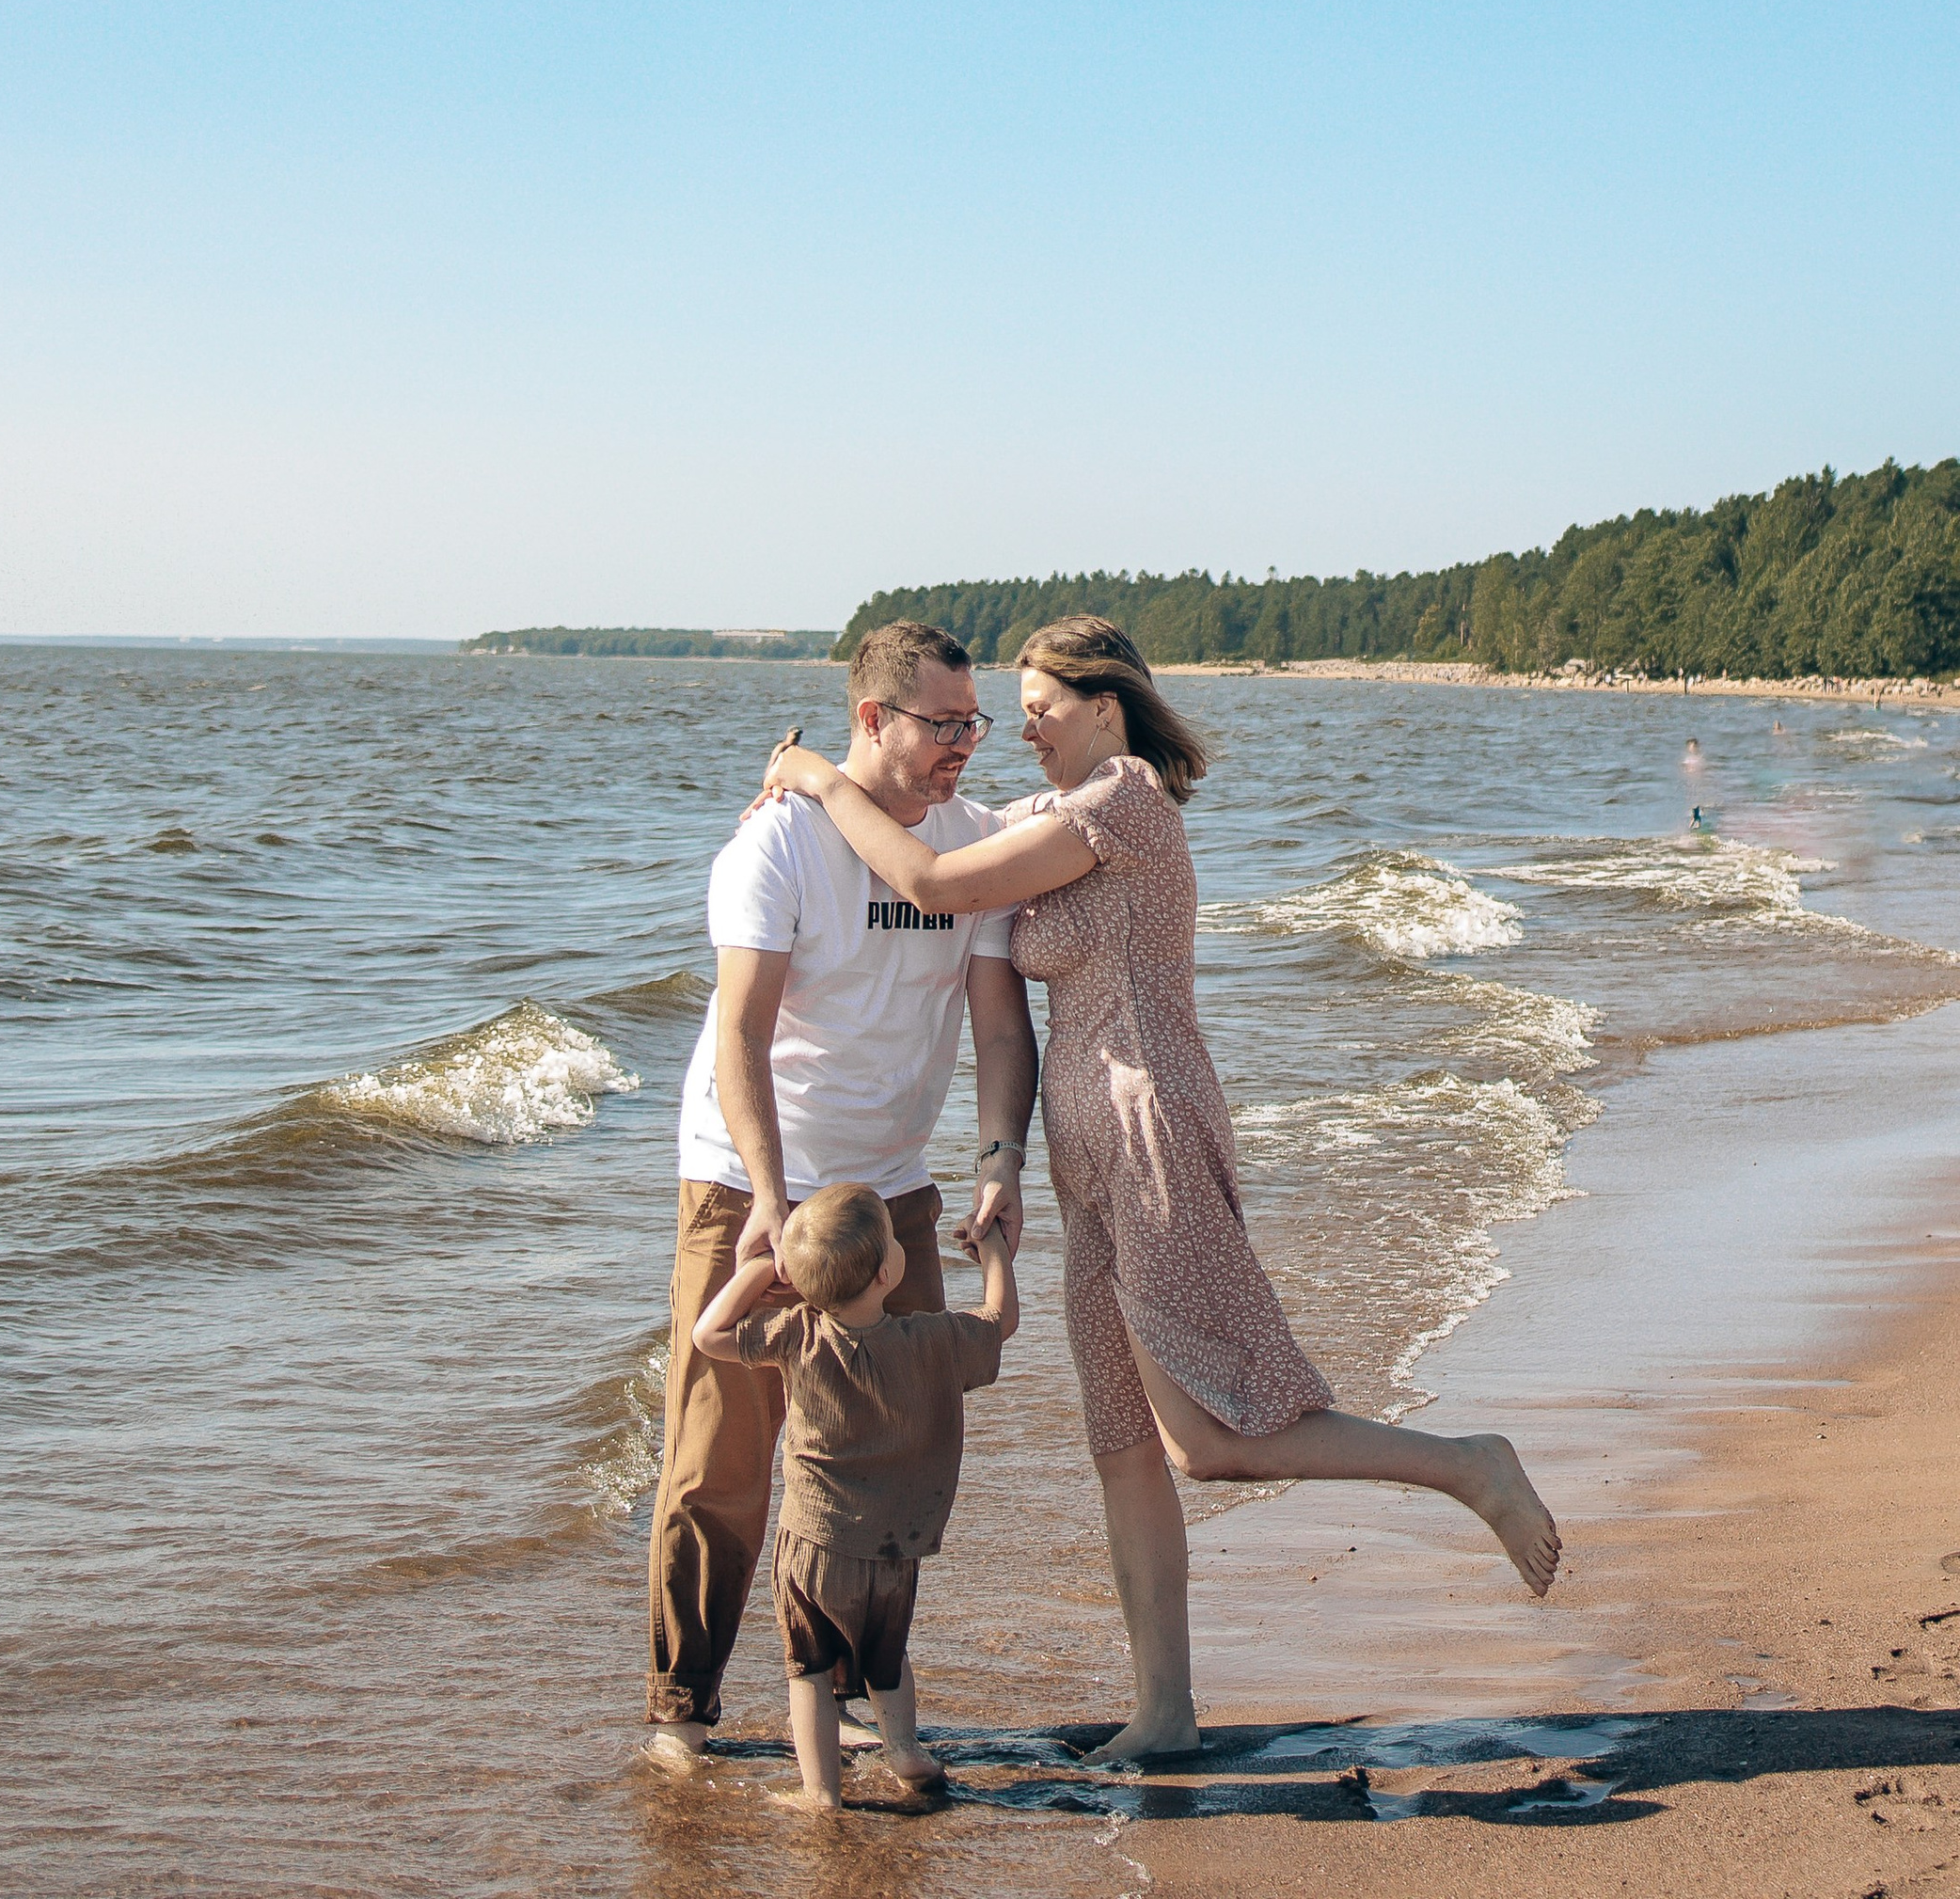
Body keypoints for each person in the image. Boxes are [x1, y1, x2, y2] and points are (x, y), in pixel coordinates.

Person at [762, 613, 1561, 1763]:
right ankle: (1165, 1712)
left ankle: (1466, 1466)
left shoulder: (1123, 801)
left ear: (1106, 705)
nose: (1015, 733)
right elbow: (934, 832)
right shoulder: (1051, 813)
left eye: (1036, 711)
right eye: (1006, 715)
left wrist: (807, 775)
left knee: (1204, 1438)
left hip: (1147, 1131)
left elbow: (931, 882)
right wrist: (816, 811)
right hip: (1084, 1154)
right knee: (1121, 1440)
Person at [646, 620, 1038, 1751]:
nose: (966, 742)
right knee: (723, 1457)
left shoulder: (971, 848)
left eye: (975, 721)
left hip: (895, 1193)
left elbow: (999, 1026)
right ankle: (684, 1701)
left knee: (884, 1458)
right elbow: (741, 1031)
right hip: (749, 1180)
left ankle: (846, 1693)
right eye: (943, 724)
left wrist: (998, 1157)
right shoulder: (779, 844)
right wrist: (768, 1196)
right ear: (873, 719)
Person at [689, 1178, 1017, 1811]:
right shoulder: (930, 1340)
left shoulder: (795, 1336)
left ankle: (819, 1793)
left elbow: (709, 1334)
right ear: (888, 1273)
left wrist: (760, 1267)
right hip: (896, 1549)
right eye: (893, 1241)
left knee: (809, 1671)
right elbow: (1000, 1320)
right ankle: (903, 1750)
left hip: (812, 1544)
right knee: (887, 1657)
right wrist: (994, 1250)